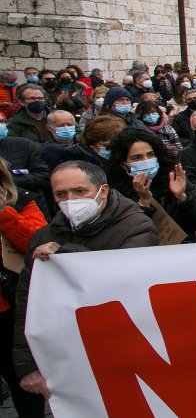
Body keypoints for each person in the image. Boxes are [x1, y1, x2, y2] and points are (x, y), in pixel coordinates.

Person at [14, 160, 157, 401]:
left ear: (103, 191)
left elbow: (123, 282)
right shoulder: (44, 236)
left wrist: (65, 255)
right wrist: (27, 364)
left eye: (80, 191)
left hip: (125, 350)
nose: (70, 199)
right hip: (71, 354)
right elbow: (28, 301)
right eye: (61, 194)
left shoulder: (136, 226)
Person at [0, 161, 46, 418]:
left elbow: (36, 242)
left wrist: (4, 214)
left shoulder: (20, 200)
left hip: (10, 308)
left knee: (23, 383)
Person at [105, 129, 196, 239]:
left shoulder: (174, 178)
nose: (146, 160)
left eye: (150, 155)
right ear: (124, 164)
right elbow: (126, 234)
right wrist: (143, 203)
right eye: (137, 158)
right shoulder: (114, 192)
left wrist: (183, 198)